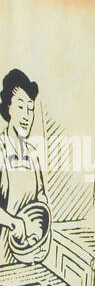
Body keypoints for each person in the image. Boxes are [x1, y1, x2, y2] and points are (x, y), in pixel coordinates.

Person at [0, 69, 49, 263]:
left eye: (31, 108)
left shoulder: (32, 154)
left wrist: (43, 221)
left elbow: (41, 195)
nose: (27, 115)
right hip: (3, 258)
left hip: (30, 253)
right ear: (8, 108)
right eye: (21, 107)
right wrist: (13, 222)